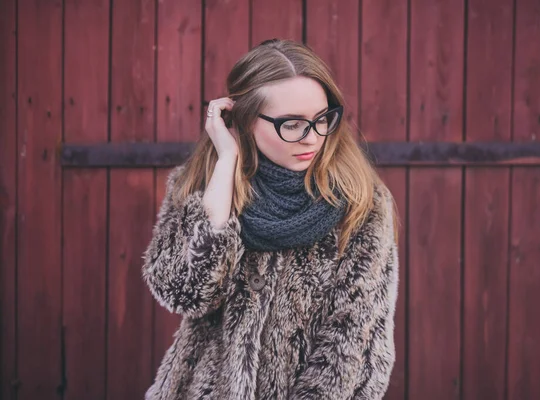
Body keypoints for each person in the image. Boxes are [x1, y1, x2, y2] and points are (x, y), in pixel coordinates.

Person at [143, 39, 399, 400]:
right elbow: (183, 291)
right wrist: (226, 164)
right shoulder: (204, 185)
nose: (312, 138)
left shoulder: (359, 203)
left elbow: (351, 339)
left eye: (322, 119)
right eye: (292, 124)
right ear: (246, 121)